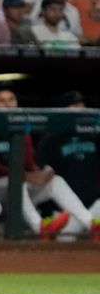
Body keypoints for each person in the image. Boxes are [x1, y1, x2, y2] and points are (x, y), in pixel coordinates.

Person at [0, 85, 97, 240]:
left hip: (12, 191)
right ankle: (39, 226)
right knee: (15, 180)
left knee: (55, 181)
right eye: (1, 101)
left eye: (11, 100)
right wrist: (27, 176)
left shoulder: (20, 128)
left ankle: (91, 224)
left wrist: (40, 172)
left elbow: (28, 164)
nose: (8, 104)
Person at [36, 90, 100, 240]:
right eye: (74, 104)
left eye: (81, 104)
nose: (79, 107)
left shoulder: (95, 135)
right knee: (64, 241)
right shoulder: (50, 139)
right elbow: (44, 176)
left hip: (94, 205)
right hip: (65, 210)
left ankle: (92, 225)